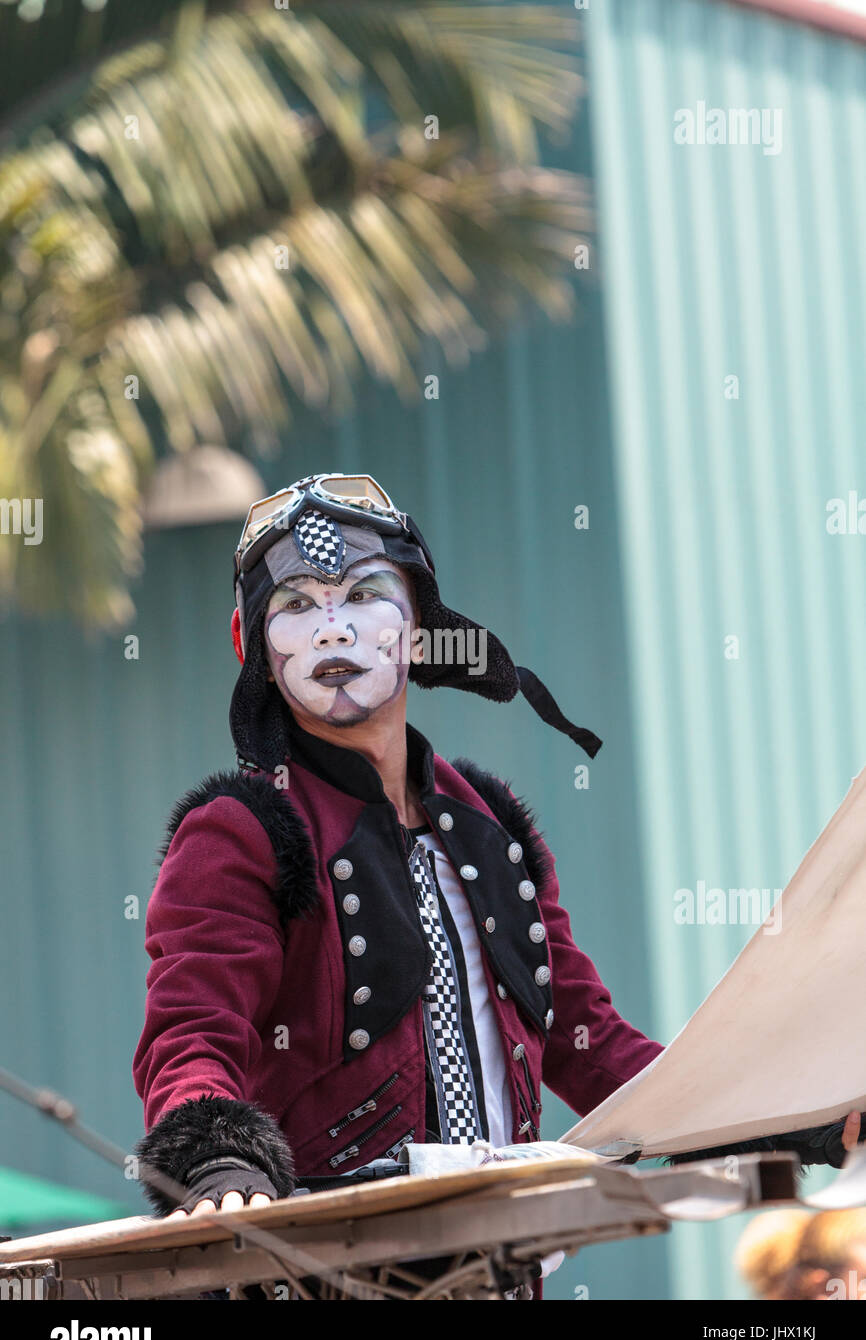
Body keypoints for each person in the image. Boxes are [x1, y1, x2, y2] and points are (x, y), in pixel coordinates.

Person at [132, 473, 862, 1241]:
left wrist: (804, 1119)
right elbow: (191, 1038)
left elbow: (594, 1048)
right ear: (255, 644)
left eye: (364, 593)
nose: (333, 628)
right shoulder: (240, 832)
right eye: (297, 604)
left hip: (497, 1276)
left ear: (419, 624)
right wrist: (217, 1162)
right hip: (317, 1277)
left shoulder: (490, 827)